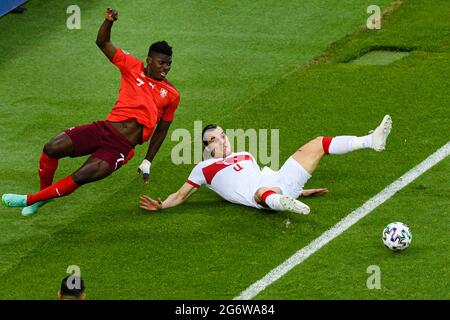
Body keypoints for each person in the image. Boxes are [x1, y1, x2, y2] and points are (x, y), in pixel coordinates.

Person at [2, 8, 180, 215]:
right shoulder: (132, 66)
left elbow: (162, 130)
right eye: (162, 63)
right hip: (103, 129)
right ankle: (43, 197)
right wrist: (108, 22)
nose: (166, 68)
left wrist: (148, 159)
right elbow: (102, 43)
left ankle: (28, 200)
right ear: (149, 60)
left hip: (120, 148)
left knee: (82, 175)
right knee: (51, 147)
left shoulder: (171, 94)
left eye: (169, 64)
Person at [139, 116, 392, 214]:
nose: (221, 141)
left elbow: (265, 175)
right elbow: (181, 195)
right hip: (261, 197)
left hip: (279, 183)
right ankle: (284, 203)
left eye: (222, 135)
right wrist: (162, 205)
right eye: (213, 140)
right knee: (260, 193)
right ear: (206, 147)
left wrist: (301, 191)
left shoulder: (246, 155)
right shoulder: (203, 169)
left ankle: (371, 140)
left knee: (317, 143)